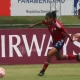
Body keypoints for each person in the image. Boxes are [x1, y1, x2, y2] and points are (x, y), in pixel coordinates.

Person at [29, 11, 80, 76]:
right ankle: (76, 57)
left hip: (60, 41)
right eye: (45, 18)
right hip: (55, 41)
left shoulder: (58, 25)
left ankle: (42, 71)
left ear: (52, 18)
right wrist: (32, 25)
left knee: (49, 54)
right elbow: (40, 23)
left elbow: (65, 32)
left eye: (47, 18)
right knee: (59, 57)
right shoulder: (47, 22)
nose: (46, 20)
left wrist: (71, 39)